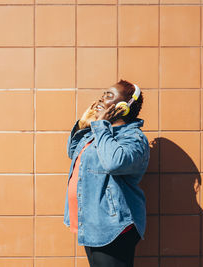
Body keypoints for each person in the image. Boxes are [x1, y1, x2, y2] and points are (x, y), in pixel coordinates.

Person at [64, 79, 150, 267]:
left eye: (109, 95)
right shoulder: (99, 131)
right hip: (92, 221)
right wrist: (83, 124)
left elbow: (114, 163)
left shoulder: (133, 138)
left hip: (113, 227)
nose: (102, 99)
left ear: (123, 107)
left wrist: (101, 126)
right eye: (103, 94)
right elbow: (73, 152)